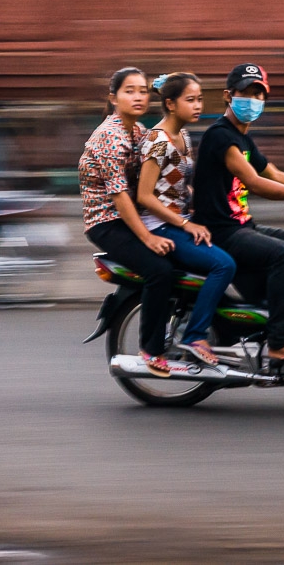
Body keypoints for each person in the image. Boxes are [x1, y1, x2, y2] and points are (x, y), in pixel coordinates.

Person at [192, 63, 284, 371]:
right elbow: (257, 183)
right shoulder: (220, 136)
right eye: (246, 93)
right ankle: (279, 343)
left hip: (242, 226)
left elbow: (274, 173)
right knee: (283, 255)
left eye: (259, 94)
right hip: (221, 232)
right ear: (228, 96)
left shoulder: (243, 138)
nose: (253, 100)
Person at [79, 67, 176, 376]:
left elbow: (162, 155)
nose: (137, 96)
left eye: (143, 91)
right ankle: (151, 348)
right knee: (159, 271)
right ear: (114, 97)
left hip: (131, 216)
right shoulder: (109, 135)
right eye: (129, 91)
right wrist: (148, 239)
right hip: (108, 224)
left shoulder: (137, 131)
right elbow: (120, 196)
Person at [136, 72, 236, 366]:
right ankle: (194, 334)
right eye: (190, 100)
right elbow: (145, 196)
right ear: (170, 103)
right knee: (223, 264)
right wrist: (185, 223)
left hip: (179, 218)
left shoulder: (184, 136)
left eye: (200, 99)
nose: (197, 105)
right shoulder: (157, 140)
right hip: (160, 225)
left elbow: (179, 185)